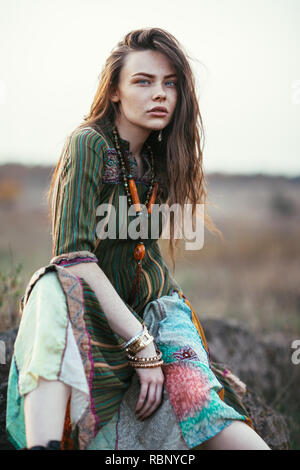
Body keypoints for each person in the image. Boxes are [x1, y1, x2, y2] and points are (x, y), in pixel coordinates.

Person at [6, 27, 270, 451]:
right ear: (114, 90)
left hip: (151, 311)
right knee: (53, 286)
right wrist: (140, 344)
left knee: (204, 407)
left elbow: (148, 260)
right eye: (143, 81)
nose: (160, 94)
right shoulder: (88, 144)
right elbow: (72, 256)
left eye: (170, 84)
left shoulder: (159, 159)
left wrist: (178, 346)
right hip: (93, 315)